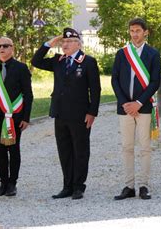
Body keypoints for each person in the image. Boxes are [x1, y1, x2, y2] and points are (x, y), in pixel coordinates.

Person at [31, 28, 101, 200]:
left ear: (78, 44)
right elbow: (36, 61)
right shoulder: (58, 61)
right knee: (64, 151)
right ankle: (67, 186)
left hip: (80, 114)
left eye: (69, 42)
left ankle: (79, 186)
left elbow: (96, 89)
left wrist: (92, 112)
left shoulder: (87, 62)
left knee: (80, 151)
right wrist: (48, 44)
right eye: (63, 42)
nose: (65, 44)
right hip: (60, 113)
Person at [112, 18, 161, 200]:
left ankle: (143, 185)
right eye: (132, 30)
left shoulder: (153, 54)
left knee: (145, 147)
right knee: (127, 147)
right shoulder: (122, 53)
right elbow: (114, 79)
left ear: (145, 32)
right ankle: (128, 185)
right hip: (124, 107)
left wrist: (138, 103)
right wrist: (125, 103)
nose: (134, 34)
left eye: (138, 30)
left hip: (144, 106)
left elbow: (155, 81)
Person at [0, 37, 33, 197]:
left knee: (13, 150)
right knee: (0, 151)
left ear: (12, 48)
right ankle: (3, 183)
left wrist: (26, 118)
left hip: (14, 117)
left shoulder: (21, 68)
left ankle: (12, 184)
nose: (2, 49)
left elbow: (28, 94)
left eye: (5, 46)